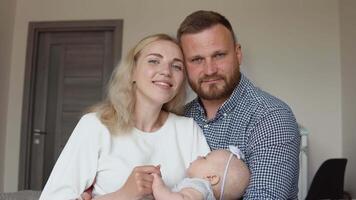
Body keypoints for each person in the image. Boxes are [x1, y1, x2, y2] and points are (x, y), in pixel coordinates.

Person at [39, 34, 210, 200]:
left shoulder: (189, 130)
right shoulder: (95, 125)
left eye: (177, 66)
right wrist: (122, 195)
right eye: (154, 61)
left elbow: (212, 190)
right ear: (133, 71)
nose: (166, 71)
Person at [178, 10, 301, 199]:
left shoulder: (270, 117)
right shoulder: (181, 118)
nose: (209, 70)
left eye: (219, 55)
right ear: (185, 65)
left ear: (238, 54)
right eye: (197, 59)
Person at [152, 146, 250, 200]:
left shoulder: (200, 186)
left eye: (204, 158)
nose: (199, 156)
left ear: (211, 178)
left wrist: (157, 184)